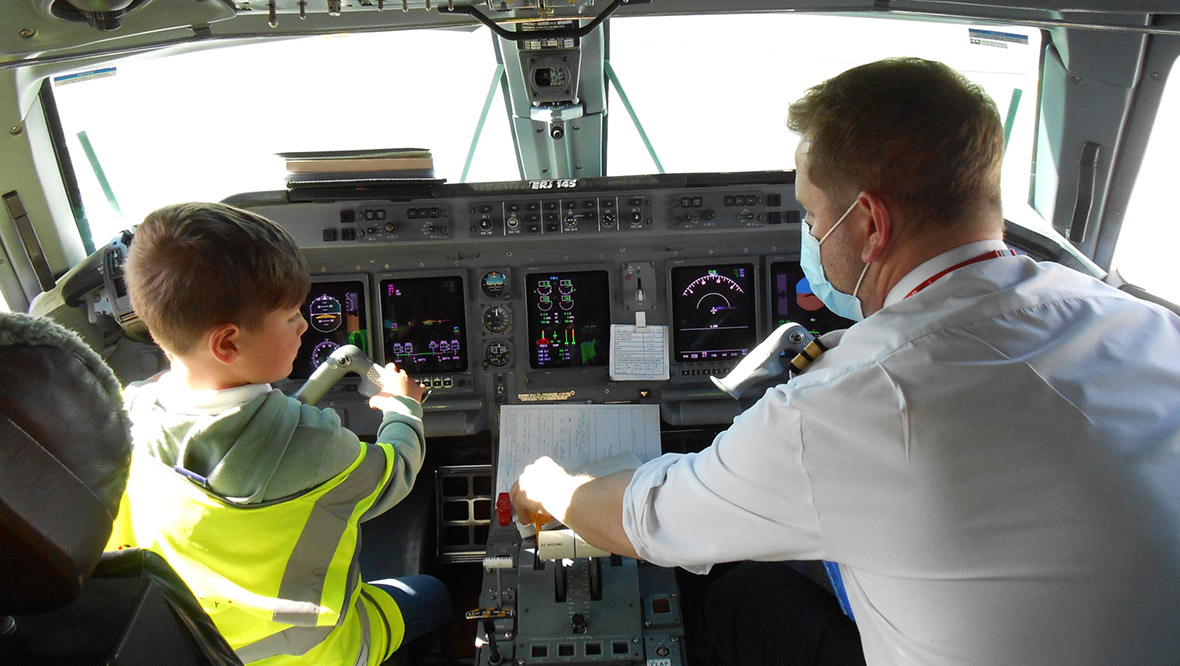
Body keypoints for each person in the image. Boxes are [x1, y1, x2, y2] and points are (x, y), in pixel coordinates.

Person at [511, 58, 1180, 666]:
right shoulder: (1146, 323)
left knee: (743, 595)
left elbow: (649, 520)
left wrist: (555, 491)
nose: (808, 235)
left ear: (870, 224)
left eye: (809, 214)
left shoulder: (851, 403)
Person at [107, 202, 451, 666]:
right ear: (228, 343)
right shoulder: (315, 446)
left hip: (192, 644)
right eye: (290, 316)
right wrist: (402, 406)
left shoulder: (126, 413)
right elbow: (395, 473)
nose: (305, 325)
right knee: (433, 594)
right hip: (317, 653)